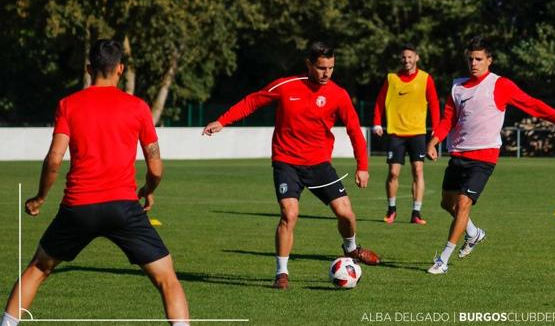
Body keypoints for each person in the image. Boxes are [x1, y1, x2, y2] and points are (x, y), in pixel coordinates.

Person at [1, 40, 190, 326]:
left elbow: (54, 159)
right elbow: (156, 167)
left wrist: (40, 197)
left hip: (78, 207)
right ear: (121, 69)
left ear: (89, 69)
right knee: (167, 278)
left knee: (38, 268)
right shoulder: (138, 107)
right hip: (124, 208)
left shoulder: (68, 105)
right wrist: (149, 191)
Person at [202, 41, 380, 289]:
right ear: (308, 64)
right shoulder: (286, 86)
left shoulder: (338, 94)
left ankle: (351, 248)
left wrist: (363, 166)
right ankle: (281, 273)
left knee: (346, 214)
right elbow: (253, 101)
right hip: (287, 161)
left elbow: (354, 131)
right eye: (321, 68)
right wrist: (222, 121)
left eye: (330, 67)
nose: (326, 73)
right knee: (289, 214)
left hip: (319, 165)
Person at [425, 36, 555, 274]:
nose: (474, 63)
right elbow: (448, 119)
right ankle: (474, 233)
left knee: (463, 203)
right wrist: (433, 141)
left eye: (479, 59)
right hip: (458, 154)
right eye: (470, 59)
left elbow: (532, 104)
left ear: (489, 60)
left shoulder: (500, 85)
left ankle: (443, 260)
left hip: (484, 156)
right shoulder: (457, 87)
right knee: (447, 203)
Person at [373, 43, 440, 225]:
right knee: (393, 173)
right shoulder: (391, 78)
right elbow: (379, 101)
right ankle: (392, 209)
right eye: (404, 57)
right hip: (396, 133)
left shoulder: (426, 78)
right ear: (400, 59)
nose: (407, 60)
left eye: (410, 57)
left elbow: (434, 103)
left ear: (417, 57)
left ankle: (416, 212)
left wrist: (436, 127)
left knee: (418, 171)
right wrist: (377, 122)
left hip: (417, 132)